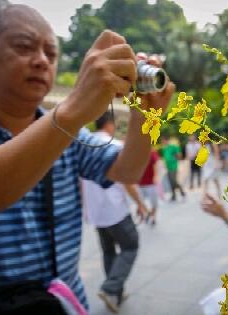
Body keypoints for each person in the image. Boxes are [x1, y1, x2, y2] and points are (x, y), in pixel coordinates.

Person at [0, 2, 174, 314]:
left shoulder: (67, 131)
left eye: (51, 53)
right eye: (24, 47)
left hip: (65, 305)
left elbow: (127, 170)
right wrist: (73, 111)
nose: (42, 61)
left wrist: (147, 116)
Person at [81, 112, 147, 313]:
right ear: (110, 124)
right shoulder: (115, 146)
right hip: (115, 210)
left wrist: (85, 208)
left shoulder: (85, 146)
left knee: (109, 251)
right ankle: (110, 288)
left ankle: (116, 293)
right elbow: (127, 181)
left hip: (96, 212)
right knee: (131, 245)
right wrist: (140, 204)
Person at [138, 148, 160, 225]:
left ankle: (153, 217)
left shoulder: (152, 152)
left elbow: (156, 164)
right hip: (140, 183)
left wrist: (156, 176)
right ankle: (148, 213)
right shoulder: (136, 152)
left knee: (154, 203)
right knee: (140, 202)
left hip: (151, 183)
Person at [160, 136, 186, 202]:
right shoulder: (164, 148)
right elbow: (165, 157)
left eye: (163, 141)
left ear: (166, 140)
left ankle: (182, 193)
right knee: (170, 182)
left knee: (174, 181)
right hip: (168, 167)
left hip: (173, 166)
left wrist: (175, 158)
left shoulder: (173, 147)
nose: (163, 142)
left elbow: (179, 154)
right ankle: (173, 196)